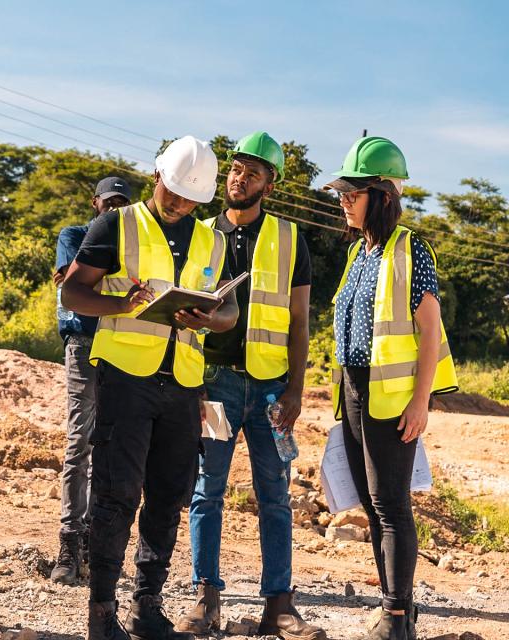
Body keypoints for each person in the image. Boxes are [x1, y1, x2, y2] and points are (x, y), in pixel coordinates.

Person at [62, 136, 238, 640]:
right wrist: (123, 305)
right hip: (125, 377)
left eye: (191, 199)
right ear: (157, 176)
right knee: (116, 495)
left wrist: (209, 317)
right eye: (175, 192)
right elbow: (74, 291)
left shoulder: (213, 239)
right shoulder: (117, 224)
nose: (181, 204)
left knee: (168, 496)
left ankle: (147, 605)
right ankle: (101, 613)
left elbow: (228, 311)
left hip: (182, 382)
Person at [177, 132, 324, 640]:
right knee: (206, 491)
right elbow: (181, 313)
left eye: (252, 173)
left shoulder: (288, 237)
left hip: (268, 391)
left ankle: (278, 606)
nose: (239, 178)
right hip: (212, 385)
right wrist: (189, 386)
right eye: (235, 169)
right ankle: (205, 598)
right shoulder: (199, 234)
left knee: (275, 496)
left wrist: (295, 391)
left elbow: (300, 320)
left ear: (270, 184)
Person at [325, 136, 458, 640]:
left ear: (380, 195)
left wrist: (421, 402)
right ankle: (393, 609)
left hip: (393, 398)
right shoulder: (361, 252)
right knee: (371, 503)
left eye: (350, 193)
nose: (342, 201)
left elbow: (430, 330)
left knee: (392, 506)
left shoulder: (411, 250)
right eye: (341, 194)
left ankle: (397, 618)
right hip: (356, 392)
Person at [51, 176, 134, 585]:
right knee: (79, 439)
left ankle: (96, 540)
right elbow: (72, 285)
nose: (114, 209)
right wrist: (117, 288)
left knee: (114, 444)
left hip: (123, 343)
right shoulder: (76, 234)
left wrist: (92, 284)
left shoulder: (134, 244)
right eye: (109, 202)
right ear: (95, 203)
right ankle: (70, 538)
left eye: (122, 202)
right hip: (84, 341)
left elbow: (83, 284)